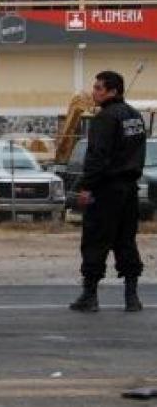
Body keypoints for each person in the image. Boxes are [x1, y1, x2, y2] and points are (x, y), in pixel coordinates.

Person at [70, 71, 146, 313]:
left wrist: (86, 187)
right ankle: (131, 297)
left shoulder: (104, 118)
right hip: (129, 189)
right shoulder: (135, 116)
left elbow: (97, 157)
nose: (94, 92)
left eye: (99, 88)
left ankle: (89, 296)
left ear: (113, 91)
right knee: (126, 240)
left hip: (106, 190)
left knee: (95, 240)